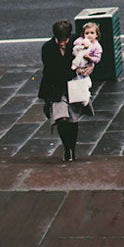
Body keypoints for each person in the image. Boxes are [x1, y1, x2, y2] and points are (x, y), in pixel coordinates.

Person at [38, 20, 94, 162]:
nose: (63, 44)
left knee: (73, 120)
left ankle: (72, 149)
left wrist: (90, 65)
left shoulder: (77, 42)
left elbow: (91, 54)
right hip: (56, 87)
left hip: (73, 86)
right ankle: (66, 149)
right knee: (61, 119)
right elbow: (51, 71)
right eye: (60, 40)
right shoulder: (48, 48)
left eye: (65, 40)